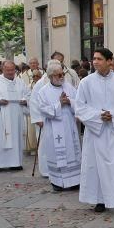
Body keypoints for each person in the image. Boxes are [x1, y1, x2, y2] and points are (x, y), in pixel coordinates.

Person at [74, 48, 114, 217]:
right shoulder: (86, 82)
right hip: (95, 133)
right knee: (95, 166)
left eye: (99, 59)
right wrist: (97, 116)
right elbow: (79, 106)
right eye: (94, 59)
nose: (95, 62)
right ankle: (99, 199)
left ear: (110, 61)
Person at [34, 62, 81, 191]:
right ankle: (57, 182)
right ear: (50, 76)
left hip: (69, 126)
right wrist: (59, 104)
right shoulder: (43, 91)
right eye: (58, 75)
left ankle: (74, 181)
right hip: (54, 128)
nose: (62, 77)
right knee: (56, 155)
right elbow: (43, 109)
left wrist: (70, 102)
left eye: (62, 74)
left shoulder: (69, 87)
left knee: (71, 153)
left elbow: (79, 103)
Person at [0, 61, 29, 171]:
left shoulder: (20, 82)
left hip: (16, 115)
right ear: (3, 70)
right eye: (7, 70)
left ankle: (15, 163)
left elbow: (28, 95)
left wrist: (26, 101)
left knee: (15, 139)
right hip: (1, 116)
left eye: (12, 70)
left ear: (15, 70)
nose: (10, 72)